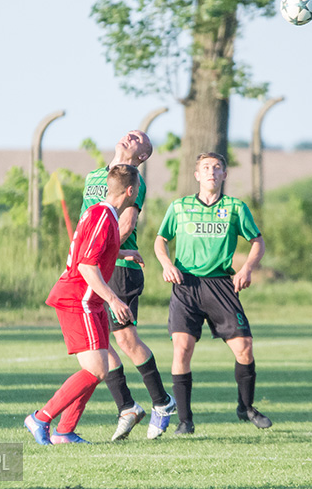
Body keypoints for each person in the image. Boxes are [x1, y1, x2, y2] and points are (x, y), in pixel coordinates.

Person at [154, 152, 272, 435]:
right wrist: (166, 263)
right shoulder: (179, 207)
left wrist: (246, 269)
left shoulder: (235, 207)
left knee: (244, 349)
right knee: (182, 348)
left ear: (224, 175)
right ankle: (185, 421)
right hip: (187, 285)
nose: (211, 172)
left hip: (221, 285)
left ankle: (246, 406)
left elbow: (257, 241)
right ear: (196, 175)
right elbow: (160, 240)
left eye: (217, 167)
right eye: (205, 168)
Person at [24, 164, 143, 445]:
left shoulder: (100, 212)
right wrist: (114, 300)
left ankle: (65, 431)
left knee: (98, 368)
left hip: (91, 300)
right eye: (137, 189)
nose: (137, 194)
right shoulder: (105, 216)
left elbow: (92, 251)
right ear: (130, 191)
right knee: (96, 370)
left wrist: (123, 252)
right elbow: (87, 266)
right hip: (80, 300)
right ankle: (40, 418)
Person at [79, 130, 176, 441]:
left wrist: (101, 253)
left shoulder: (135, 181)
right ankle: (128, 407)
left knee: (126, 341)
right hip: (93, 267)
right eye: (129, 133)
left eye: (138, 138)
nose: (129, 136)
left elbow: (126, 224)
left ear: (142, 155)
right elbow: (86, 223)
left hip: (120, 268)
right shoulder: (94, 175)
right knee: (99, 341)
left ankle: (162, 403)